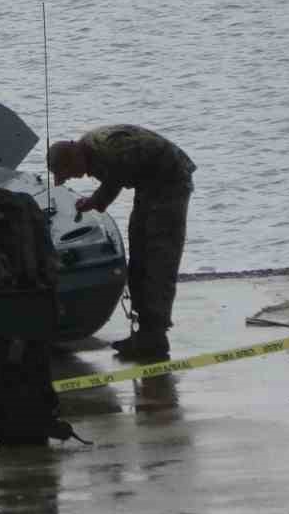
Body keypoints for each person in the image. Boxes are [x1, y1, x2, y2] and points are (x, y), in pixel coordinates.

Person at [47, 125, 196, 361]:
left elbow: (114, 181)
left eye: (69, 172)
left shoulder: (110, 149)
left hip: (171, 181)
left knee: (158, 258)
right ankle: (143, 332)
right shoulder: (91, 151)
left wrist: (95, 201)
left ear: (74, 156)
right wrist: (94, 202)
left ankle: (155, 338)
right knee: (138, 253)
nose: (74, 177)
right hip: (149, 185)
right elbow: (112, 183)